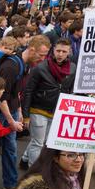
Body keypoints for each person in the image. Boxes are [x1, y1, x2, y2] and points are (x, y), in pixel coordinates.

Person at [0, 35, 51, 189]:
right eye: (41, 55)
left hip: (12, 111)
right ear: (32, 49)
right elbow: (1, 97)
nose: (42, 59)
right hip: (2, 113)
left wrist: (19, 111)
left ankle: (10, 182)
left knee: (10, 148)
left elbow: (17, 92)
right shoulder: (11, 67)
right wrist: (11, 120)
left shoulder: (24, 65)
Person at [20, 38, 76, 169]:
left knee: (43, 141)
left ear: (69, 52)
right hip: (38, 110)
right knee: (38, 143)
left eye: (64, 51)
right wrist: (26, 115)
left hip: (57, 110)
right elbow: (28, 91)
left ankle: (25, 159)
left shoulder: (72, 68)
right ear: (53, 50)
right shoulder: (40, 67)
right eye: (58, 50)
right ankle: (35, 173)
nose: (60, 54)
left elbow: (69, 90)